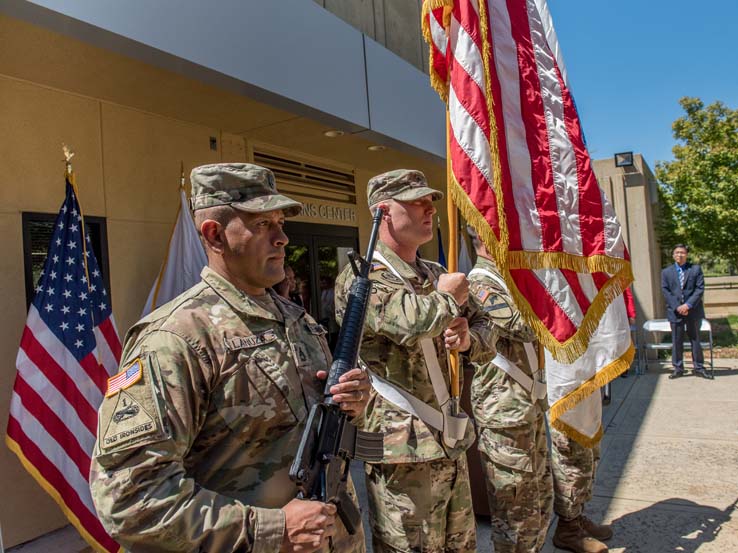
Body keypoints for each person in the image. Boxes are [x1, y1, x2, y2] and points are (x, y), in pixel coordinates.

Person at [89, 163, 370, 553]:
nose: (283, 238)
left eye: (280, 223)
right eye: (262, 224)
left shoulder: (298, 320)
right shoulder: (176, 338)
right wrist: (272, 529)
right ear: (214, 234)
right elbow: (130, 499)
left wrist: (354, 400)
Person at [334, 169, 497, 553]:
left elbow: (489, 332)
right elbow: (410, 322)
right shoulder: (361, 279)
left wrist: (469, 338)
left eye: (430, 202)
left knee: (461, 546)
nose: (429, 210)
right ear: (383, 212)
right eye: (416, 202)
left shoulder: (438, 273)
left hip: (448, 440)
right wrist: (447, 300)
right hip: (400, 452)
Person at [466, 226, 553, 553]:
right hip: (504, 412)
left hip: (527, 405)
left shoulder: (512, 280)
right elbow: (522, 325)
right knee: (516, 514)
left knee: (539, 503)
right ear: (487, 241)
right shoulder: (479, 284)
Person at [550, 427, 612, 553]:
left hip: (584, 411)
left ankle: (576, 517)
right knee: (572, 458)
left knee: (588, 451)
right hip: (568, 414)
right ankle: (567, 530)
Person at [661, 243, 708, 379]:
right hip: (675, 312)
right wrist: (678, 307)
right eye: (677, 253)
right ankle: (678, 368)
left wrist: (687, 305)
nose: (679, 255)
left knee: (695, 339)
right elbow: (665, 291)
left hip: (693, 311)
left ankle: (699, 367)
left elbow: (699, 289)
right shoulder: (666, 272)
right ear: (673, 255)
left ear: (686, 254)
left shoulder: (695, 269)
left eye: (682, 253)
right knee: (677, 340)